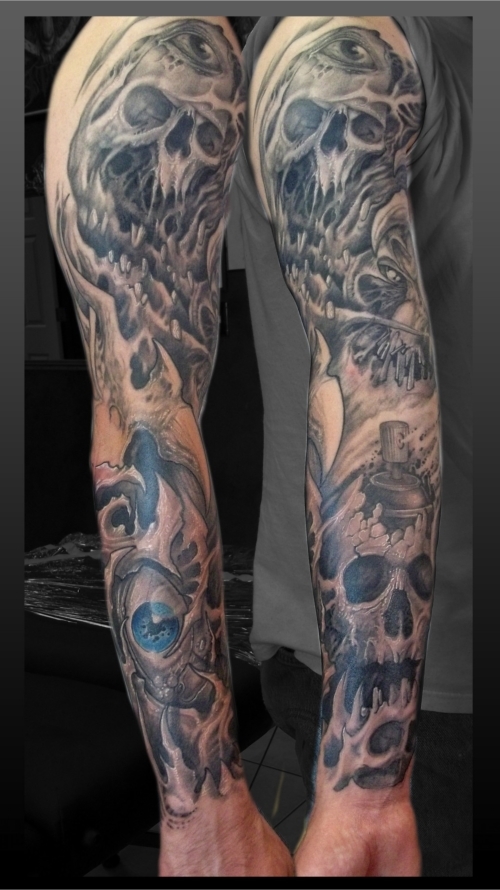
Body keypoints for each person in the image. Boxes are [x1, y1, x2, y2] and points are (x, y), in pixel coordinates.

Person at [45, 14, 471, 877]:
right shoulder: (320, 47)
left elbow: (144, 414)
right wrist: (348, 792)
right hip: (412, 702)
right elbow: (148, 425)